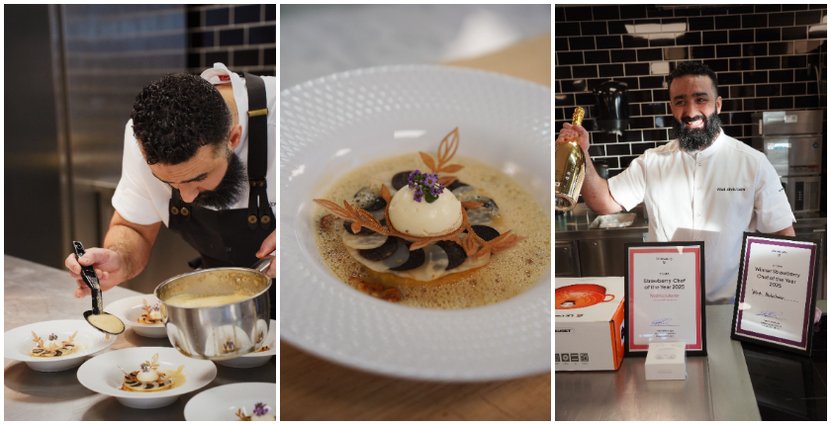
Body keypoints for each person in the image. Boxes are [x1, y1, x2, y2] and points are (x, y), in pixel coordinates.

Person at [557, 61, 795, 304]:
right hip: (666, 305)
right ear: (671, 107)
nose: (690, 112)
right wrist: (583, 154)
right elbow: (603, 202)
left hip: (728, 307)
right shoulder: (652, 162)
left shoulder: (753, 163)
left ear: (718, 104)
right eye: (680, 101)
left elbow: (783, 233)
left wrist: (789, 300)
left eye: (701, 99)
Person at [64, 63, 276, 315]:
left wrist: (301, 238)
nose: (187, 197)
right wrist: (119, 259)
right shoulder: (141, 139)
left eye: (198, 177)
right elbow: (133, 228)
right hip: (218, 309)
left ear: (233, 138)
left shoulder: (287, 114)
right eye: (168, 183)